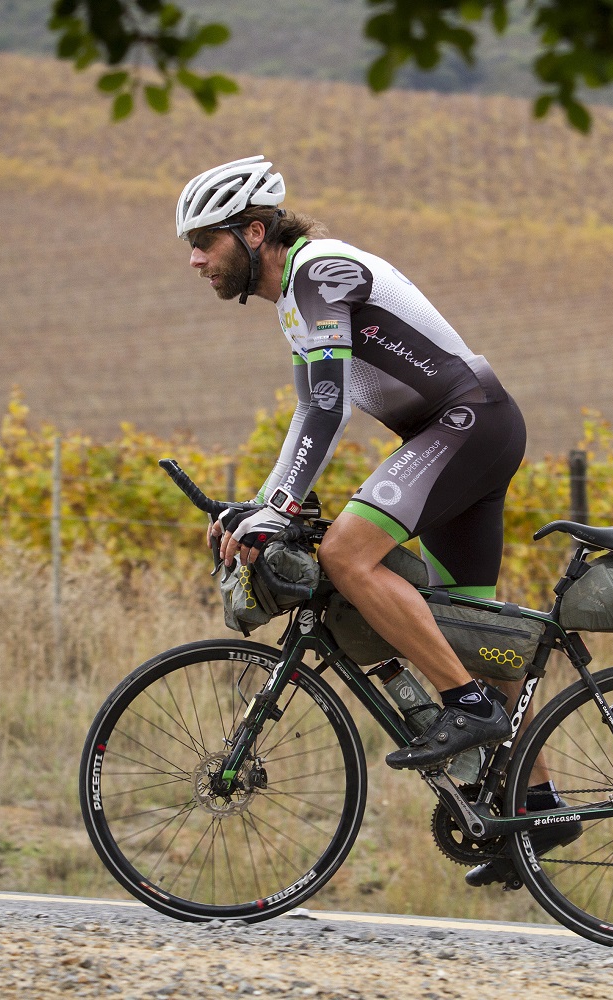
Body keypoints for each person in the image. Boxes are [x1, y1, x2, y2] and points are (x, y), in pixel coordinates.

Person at [177, 155, 577, 886]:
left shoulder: (316, 273)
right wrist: (264, 505)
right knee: (478, 636)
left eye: (206, 241)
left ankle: (467, 705)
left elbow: (327, 409)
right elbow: (309, 413)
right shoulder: (294, 299)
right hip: (465, 431)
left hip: (465, 425)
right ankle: (542, 806)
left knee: (346, 556)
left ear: (255, 231)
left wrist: (276, 510)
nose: (196, 259)